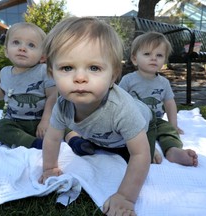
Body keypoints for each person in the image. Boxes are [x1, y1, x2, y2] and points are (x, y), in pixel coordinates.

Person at [39, 16, 158, 216]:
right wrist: (50, 168)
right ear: (52, 74)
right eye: (67, 68)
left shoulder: (121, 108)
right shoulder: (62, 106)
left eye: (94, 68)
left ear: (113, 76)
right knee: (104, 146)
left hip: (145, 123)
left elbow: (140, 155)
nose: (79, 78)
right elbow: (52, 138)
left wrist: (125, 197)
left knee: (143, 157)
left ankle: (164, 140)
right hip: (106, 134)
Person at [119, 31, 198, 167]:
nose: (154, 58)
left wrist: (173, 124)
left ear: (164, 60)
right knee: (132, 135)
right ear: (134, 59)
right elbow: (118, 100)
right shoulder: (128, 80)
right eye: (147, 54)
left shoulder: (163, 83)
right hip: (134, 120)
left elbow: (169, 103)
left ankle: (172, 150)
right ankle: (148, 150)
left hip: (157, 120)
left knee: (168, 131)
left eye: (159, 55)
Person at [0, 22, 57, 149]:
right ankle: (34, 143)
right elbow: (3, 90)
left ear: (42, 57)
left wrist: (45, 120)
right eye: (16, 42)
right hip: (15, 122)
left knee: (63, 123)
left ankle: (76, 140)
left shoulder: (43, 71)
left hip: (41, 120)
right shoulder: (5, 72)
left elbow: (53, 96)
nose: (22, 48)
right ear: (6, 51)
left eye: (31, 45)